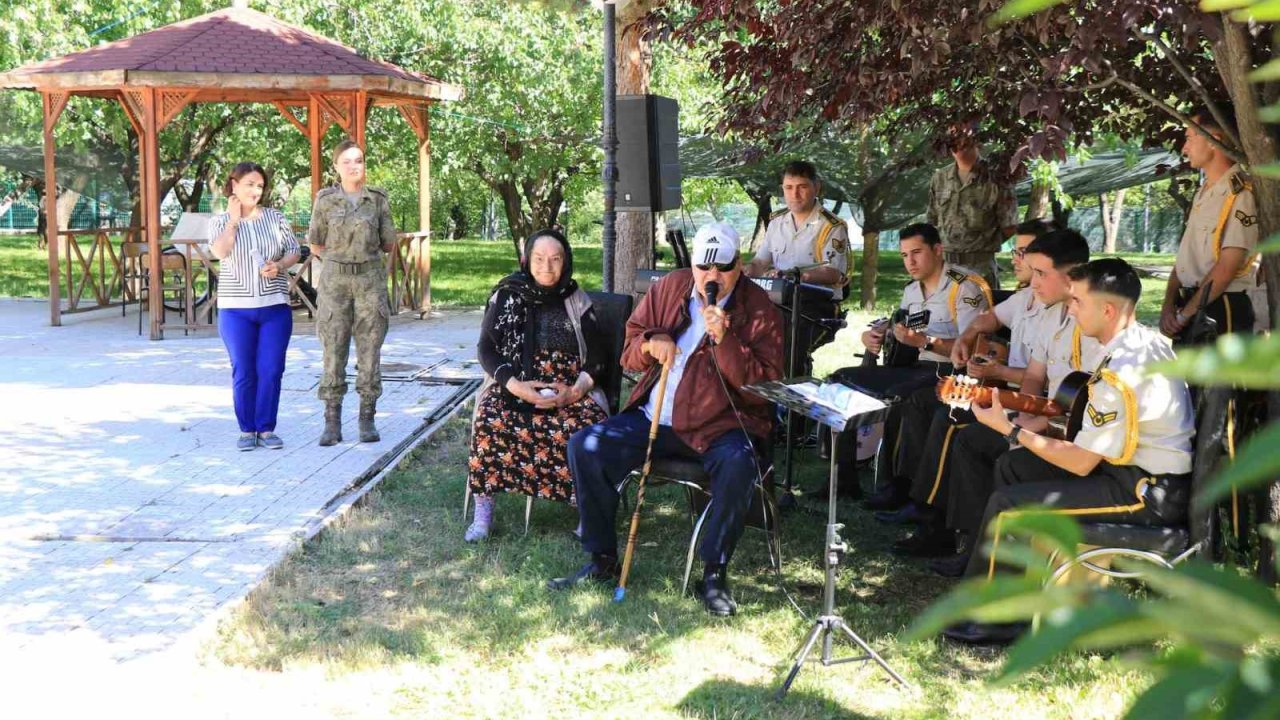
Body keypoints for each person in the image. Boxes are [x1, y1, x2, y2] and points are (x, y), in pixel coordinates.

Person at [944, 258, 1194, 646]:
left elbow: (1080, 462)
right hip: (1129, 472)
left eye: (1077, 301)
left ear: (1108, 310)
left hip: (1144, 493)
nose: (1070, 308)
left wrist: (1008, 428)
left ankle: (998, 620)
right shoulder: (1137, 343)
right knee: (1016, 470)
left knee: (1010, 506)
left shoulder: (1121, 371)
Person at [549, 222, 784, 616]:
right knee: (585, 446)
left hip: (721, 425)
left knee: (740, 464)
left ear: (739, 265)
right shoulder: (670, 287)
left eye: (723, 268)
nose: (712, 278)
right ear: (691, 265)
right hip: (655, 416)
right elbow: (630, 349)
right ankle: (601, 558)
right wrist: (649, 344)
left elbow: (764, 385)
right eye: (703, 268)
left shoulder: (759, 309)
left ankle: (714, 573)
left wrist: (726, 342)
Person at [933, 228, 1100, 577]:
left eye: (1041, 273)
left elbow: (1085, 403)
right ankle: (971, 545)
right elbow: (1036, 377)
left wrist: (1022, 427)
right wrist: (1019, 411)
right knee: (972, 440)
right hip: (1047, 415)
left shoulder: (1094, 321)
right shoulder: (1052, 312)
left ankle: (998, 560)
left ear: (1071, 275)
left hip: (1078, 436)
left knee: (1002, 454)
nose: (1033, 281)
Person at [886, 219, 1054, 556]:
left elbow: (1050, 383)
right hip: (1001, 388)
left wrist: (996, 367)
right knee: (927, 403)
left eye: (1024, 252)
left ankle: (937, 524)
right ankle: (916, 502)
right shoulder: (1025, 298)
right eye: (1018, 251)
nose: (1015, 258)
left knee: (949, 420)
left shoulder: (1064, 309)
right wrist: (968, 339)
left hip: (1031, 404)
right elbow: (986, 323)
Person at [828, 222, 992, 505]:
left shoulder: (964, 287)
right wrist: (877, 335)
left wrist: (927, 343)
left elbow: (973, 348)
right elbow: (902, 330)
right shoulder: (911, 290)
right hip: (913, 368)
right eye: (904, 255)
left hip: (949, 374)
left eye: (916, 252)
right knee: (840, 380)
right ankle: (842, 480)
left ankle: (900, 488)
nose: (910, 262)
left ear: (938, 250)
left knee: (904, 397)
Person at [465, 229, 610, 542]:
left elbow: (598, 356)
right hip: (516, 381)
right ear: (526, 261)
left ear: (566, 262)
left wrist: (574, 391)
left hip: (568, 387)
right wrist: (516, 386)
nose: (547, 266)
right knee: (490, 419)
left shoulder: (576, 298)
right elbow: (486, 349)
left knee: (585, 427)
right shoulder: (507, 294)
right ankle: (483, 512)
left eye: (555, 259)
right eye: (539, 259)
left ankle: (585, 509)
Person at [307, 139, 397, 446]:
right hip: (335, 284)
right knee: (333, 350)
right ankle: (332, 422)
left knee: (370, 351)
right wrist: (338, 261)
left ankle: (366, 418)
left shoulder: (378, 200)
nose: (353, 166)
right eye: (346, 161)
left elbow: (388, 242)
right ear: (336, 166)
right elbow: (315, 242)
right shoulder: (325, 200)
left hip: (370, 282)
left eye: (358, 160)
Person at [207, 162, 301, 451]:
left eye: (259, 185)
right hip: (235, 310)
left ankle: (266, 428)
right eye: (249, 184)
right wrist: (234, 220)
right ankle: (247, 430)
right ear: (233, 185)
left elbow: (294, 250)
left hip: (274, 306)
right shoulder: (219, 222)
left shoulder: (274, 217)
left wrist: (280, 265)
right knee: (244, 369)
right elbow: (220, 252)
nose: (255, 190)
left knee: (271, 368)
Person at [1160, 106, 1262, 344]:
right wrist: (1169, 305)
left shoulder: (1240, 194)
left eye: (1188, 138)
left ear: (1213, 141)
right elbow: (1184, 261)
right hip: (1190, 308)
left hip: (1220, 310)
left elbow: (1227, 267)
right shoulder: (1204, 192)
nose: (1184, 148)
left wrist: (1185, 315)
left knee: (1221, 383)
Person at [747, 160, 850, 378]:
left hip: (816, 304)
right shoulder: (777, 222)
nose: (795, 194)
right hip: (779, 302)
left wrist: (792, 275)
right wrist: (741, 270)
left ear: (817, 187)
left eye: (802, 187)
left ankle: (794, 403)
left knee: (788, 345)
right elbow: (759, 264)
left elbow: (833, 272)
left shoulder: (831, 226)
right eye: (788, 188)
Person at [927, 124, 1018, 290]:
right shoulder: (939, 178)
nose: (956, 143)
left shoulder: (996, 178)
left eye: (962, 137)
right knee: (944, 314)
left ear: (977, 141)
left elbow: (1009, 226)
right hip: (945, 268)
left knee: (981, 314)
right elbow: (932, 220)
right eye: (952, 138)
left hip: (979, 268)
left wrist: (980, 245)